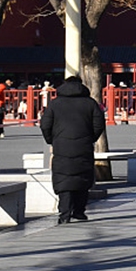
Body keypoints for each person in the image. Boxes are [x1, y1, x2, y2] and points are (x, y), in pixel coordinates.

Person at [40, 75, 106, 224]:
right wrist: (90, 138)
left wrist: (52, 140)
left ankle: (64, 213)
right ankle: (79, 211)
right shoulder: (90, 103)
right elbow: (99, 124)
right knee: (82, 178)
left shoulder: (55, 104)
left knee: (64, 178)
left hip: (61, 146)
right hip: (83, 145)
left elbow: (45, 125)